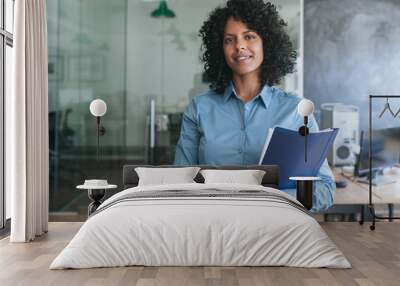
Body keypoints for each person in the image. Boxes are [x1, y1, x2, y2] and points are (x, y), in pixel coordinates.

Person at [174, 0, 335, 211]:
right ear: (220, 49)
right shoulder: (200, 108)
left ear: (266, 43)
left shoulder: (296, 111)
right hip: (213, 224)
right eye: (229, 40)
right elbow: (177, 184)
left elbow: (324, 189)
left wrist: (269, 198)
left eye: (249, 36)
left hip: (275, 229)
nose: (239, 45)